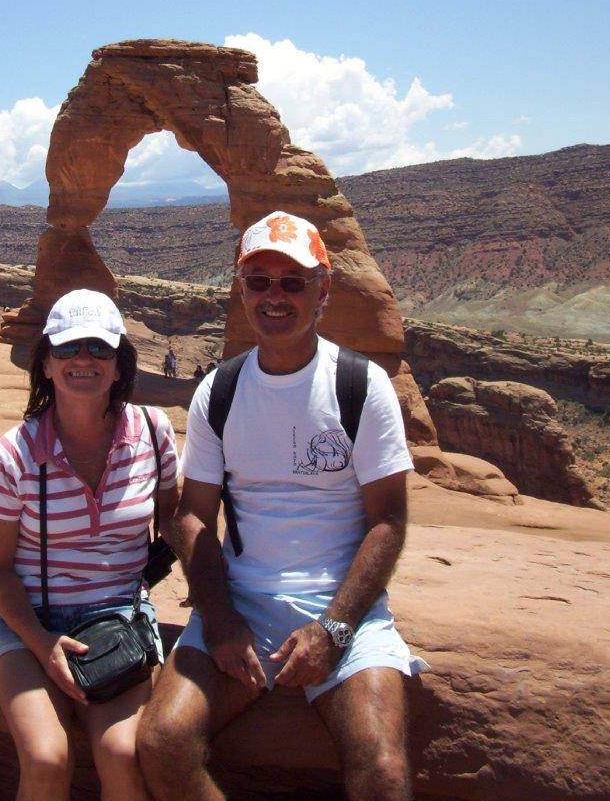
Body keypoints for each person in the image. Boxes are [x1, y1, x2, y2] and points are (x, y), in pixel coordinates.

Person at [138, 211, 422, 801]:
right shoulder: (218, 392)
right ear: (240, 289)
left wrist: (336, 627)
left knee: (384, 773)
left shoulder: (360, 386)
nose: (274, 296)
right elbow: (192, 515)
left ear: (324, 289)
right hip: (244, 605)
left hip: (345, 609)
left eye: (292, 281)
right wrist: (219, 616)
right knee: (163, 743)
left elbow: (388, 520)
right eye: (259, 280)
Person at [0, 289, 179, 801]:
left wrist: (222, 603)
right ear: (45, 364)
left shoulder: (153, 434)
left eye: (99, 349)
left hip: (119, 620)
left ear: (118, 364)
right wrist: (43, 644)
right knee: (47, 757)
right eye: (67, 349)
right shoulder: (11, 457)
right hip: (29, 625)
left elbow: (175, 523)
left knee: (123, 755)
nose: (83, 360)